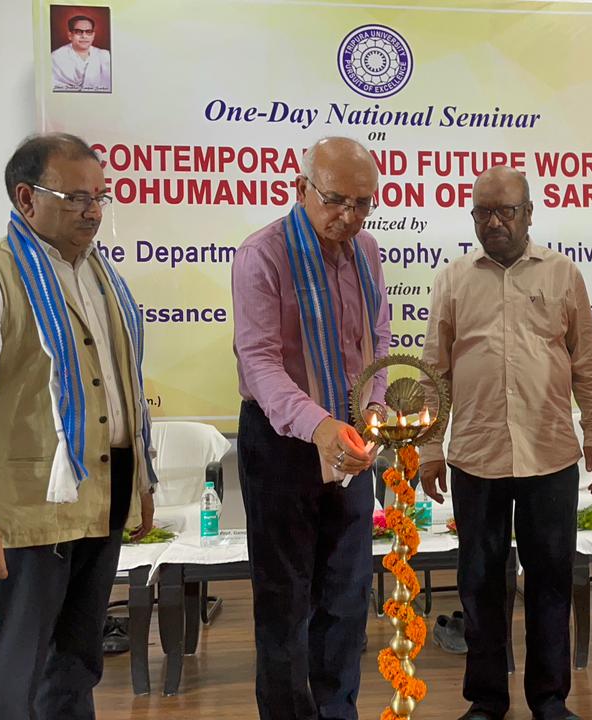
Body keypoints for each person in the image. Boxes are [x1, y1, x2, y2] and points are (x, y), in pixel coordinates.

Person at [0, 132, 156, 720]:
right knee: (16, 675)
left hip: (101, 496)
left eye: (101, 196)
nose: (94, 211)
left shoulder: (101, 275)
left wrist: (142, 486)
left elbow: (123, 388)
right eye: (76, 197)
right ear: (26, 198)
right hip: (25, 512)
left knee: (77, 665)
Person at [419, 165, 592, 720]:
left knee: (550, 582)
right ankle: (486, 700)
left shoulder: (562, 275)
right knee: (479, 585)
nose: (494, 222)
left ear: (530, 213)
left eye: (506, 211)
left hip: (549, 454)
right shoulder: (452, 279)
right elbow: (435, 372)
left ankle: (550, 700)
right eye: (483, 212)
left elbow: (587, 361)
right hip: (477, 457)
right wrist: (431, 446)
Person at [231, 136, 391, 720]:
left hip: (352, 441)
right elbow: (260, 363)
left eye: (362, 204)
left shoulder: (367, 250)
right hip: (283, 445)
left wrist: (373, 406)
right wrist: (320, 425)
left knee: (346, 596)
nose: (348, 218)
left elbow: (377, 341)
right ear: (301, 189)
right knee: (284, 601)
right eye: (335, 201)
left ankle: (337, 711)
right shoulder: (262, 255)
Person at [52, 14, 112, 92]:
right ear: (70, 35)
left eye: (88, 32)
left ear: (93, 35)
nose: (84, 36)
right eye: (78, 32)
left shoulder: (105, 56)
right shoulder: (56, 57)